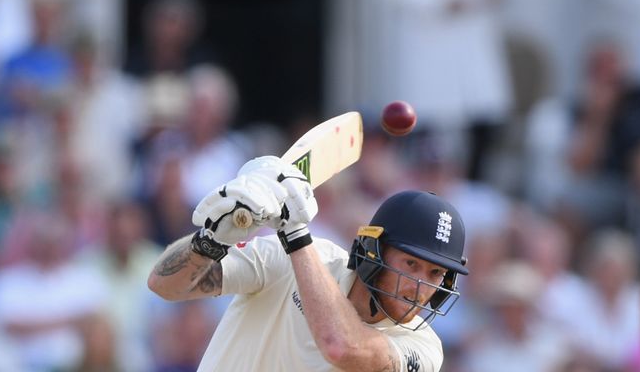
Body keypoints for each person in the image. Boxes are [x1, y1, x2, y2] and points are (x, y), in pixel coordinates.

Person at [148, 155, 468, 371]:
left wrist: (296, 232)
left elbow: (340, 347)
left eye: (436, 272)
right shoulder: (287, 260)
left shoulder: (422, 347)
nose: (422, 286)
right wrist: (210, 241)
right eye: (411, 264)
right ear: (374, 250)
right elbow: (164, 285)